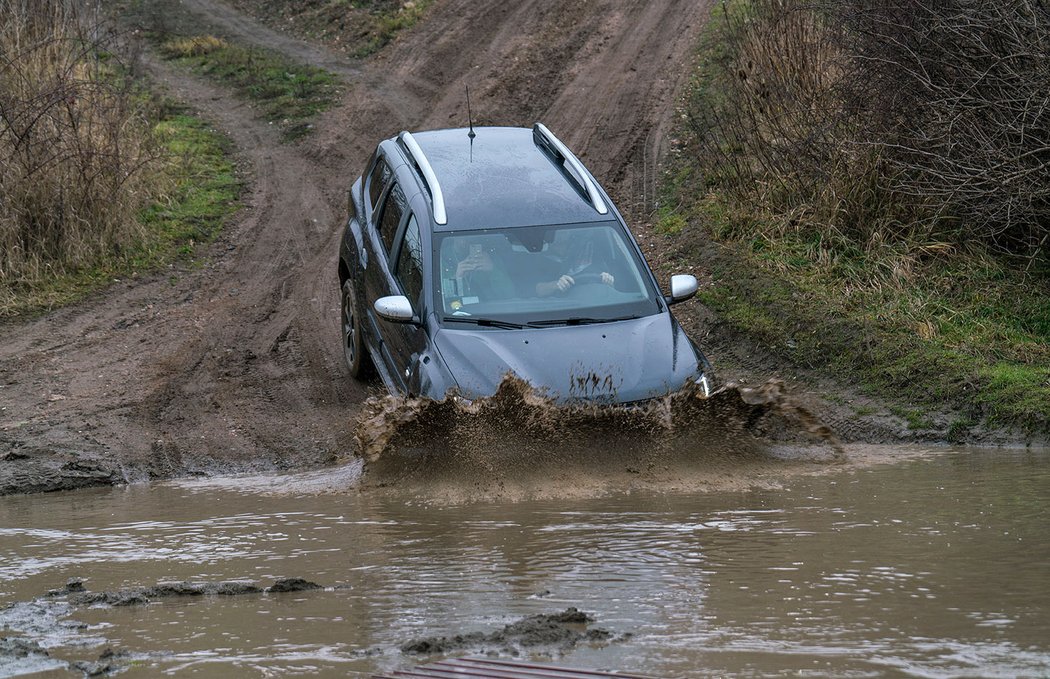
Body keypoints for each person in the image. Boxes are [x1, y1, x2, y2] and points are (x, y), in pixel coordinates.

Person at [535, 234, 615, 297]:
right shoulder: (539, 260)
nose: (561, 236)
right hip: (559, 308)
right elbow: (536, 290)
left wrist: (608, 279)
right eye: (558, 243)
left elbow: (618, 283)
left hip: (595, 303)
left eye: (565, 243)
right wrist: (556, 284)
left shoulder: (591, 253)